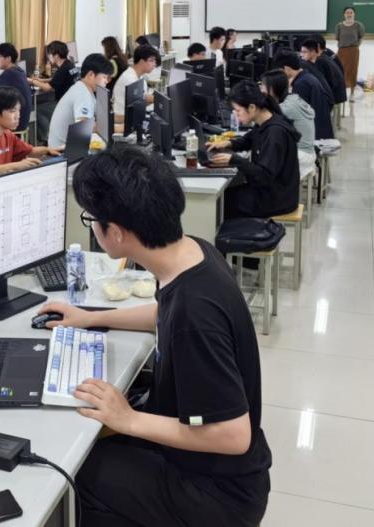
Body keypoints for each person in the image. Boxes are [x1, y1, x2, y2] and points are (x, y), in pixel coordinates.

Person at [37, 145, 272, 527]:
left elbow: (233, 436)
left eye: (91, 218)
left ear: (115, 233)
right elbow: (165, 313)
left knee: (72, 472)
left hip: (216, 494)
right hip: (208, 466)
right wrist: (92, 318)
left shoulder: (196, 313)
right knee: (94, 443)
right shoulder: (192, 253)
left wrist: (128, 419)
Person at [207, 82, 300, 218]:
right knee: (224, 196)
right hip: (270, 192)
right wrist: (228, 143)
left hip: (276, 199)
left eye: (238, 110)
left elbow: (264, 176)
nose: (236, 115)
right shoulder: (265, 121)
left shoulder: (275, 133)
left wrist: (234, 160)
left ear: (252, 107)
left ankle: (231, 232)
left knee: (216, 202)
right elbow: (248, 140)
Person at [0, 87, 60, 181]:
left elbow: (30, 151)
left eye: (18, 110)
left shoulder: (7, 134)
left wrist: (48, 150)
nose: (18, 116)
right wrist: (16, 165)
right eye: (12, 111)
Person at [48, 53, 113, 148]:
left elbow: (102, 116)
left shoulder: (84, 88)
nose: (106, 81)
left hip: (68, 146)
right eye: (104, 77)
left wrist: (121, 120)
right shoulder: (82, 94)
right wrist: (116, 128)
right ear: (91, 75)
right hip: (62, 151)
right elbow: (84, 127)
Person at [260, 69, 315, 177]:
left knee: (261, 163)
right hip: (307, 153)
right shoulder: (293, 98)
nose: (260, 89)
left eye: (262, 86)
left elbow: (264, 121)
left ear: (272, 89)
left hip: (300, 156)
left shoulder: (286, 108)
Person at [274, 51, 334, 140]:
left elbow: (295, 115)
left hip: (315, 136)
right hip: (321, 130)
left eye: (280, 70)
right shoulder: (306, 77)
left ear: (286, 68)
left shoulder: (301, 85)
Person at [112, 44, 159, 132]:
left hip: (131, 118)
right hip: (123, 123)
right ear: (141, 61)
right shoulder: (129, 78)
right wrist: (160, 98)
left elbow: (143, 101)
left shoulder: (139, 76)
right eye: (151, 60)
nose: (154, 64)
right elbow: (144, 98)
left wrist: (156, 98)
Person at [0, 42, 31, 133]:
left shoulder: (8, 74)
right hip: (23, 120)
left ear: (8, 58)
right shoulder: (19, 71)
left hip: (16, 123)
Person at [300, 37, 347, 105]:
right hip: (337, 93)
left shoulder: (320, 61)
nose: (301, 55)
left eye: (304, 52)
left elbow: (323, 84)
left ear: (313, 51)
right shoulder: (323, 57)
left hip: (335, 97)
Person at [335, 7, 365, 96]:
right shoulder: (339, 26)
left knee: (353, 71)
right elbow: (337, 38)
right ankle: (342, 93)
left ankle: (352, 93)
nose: (349, 14)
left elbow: (361, 37)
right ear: (344, 14)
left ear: (354, 14)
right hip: (342, 51)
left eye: (351, 12)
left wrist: (356, 45)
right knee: (341, 70)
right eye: (347, 12)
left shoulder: (358, 25)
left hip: (353, 51)